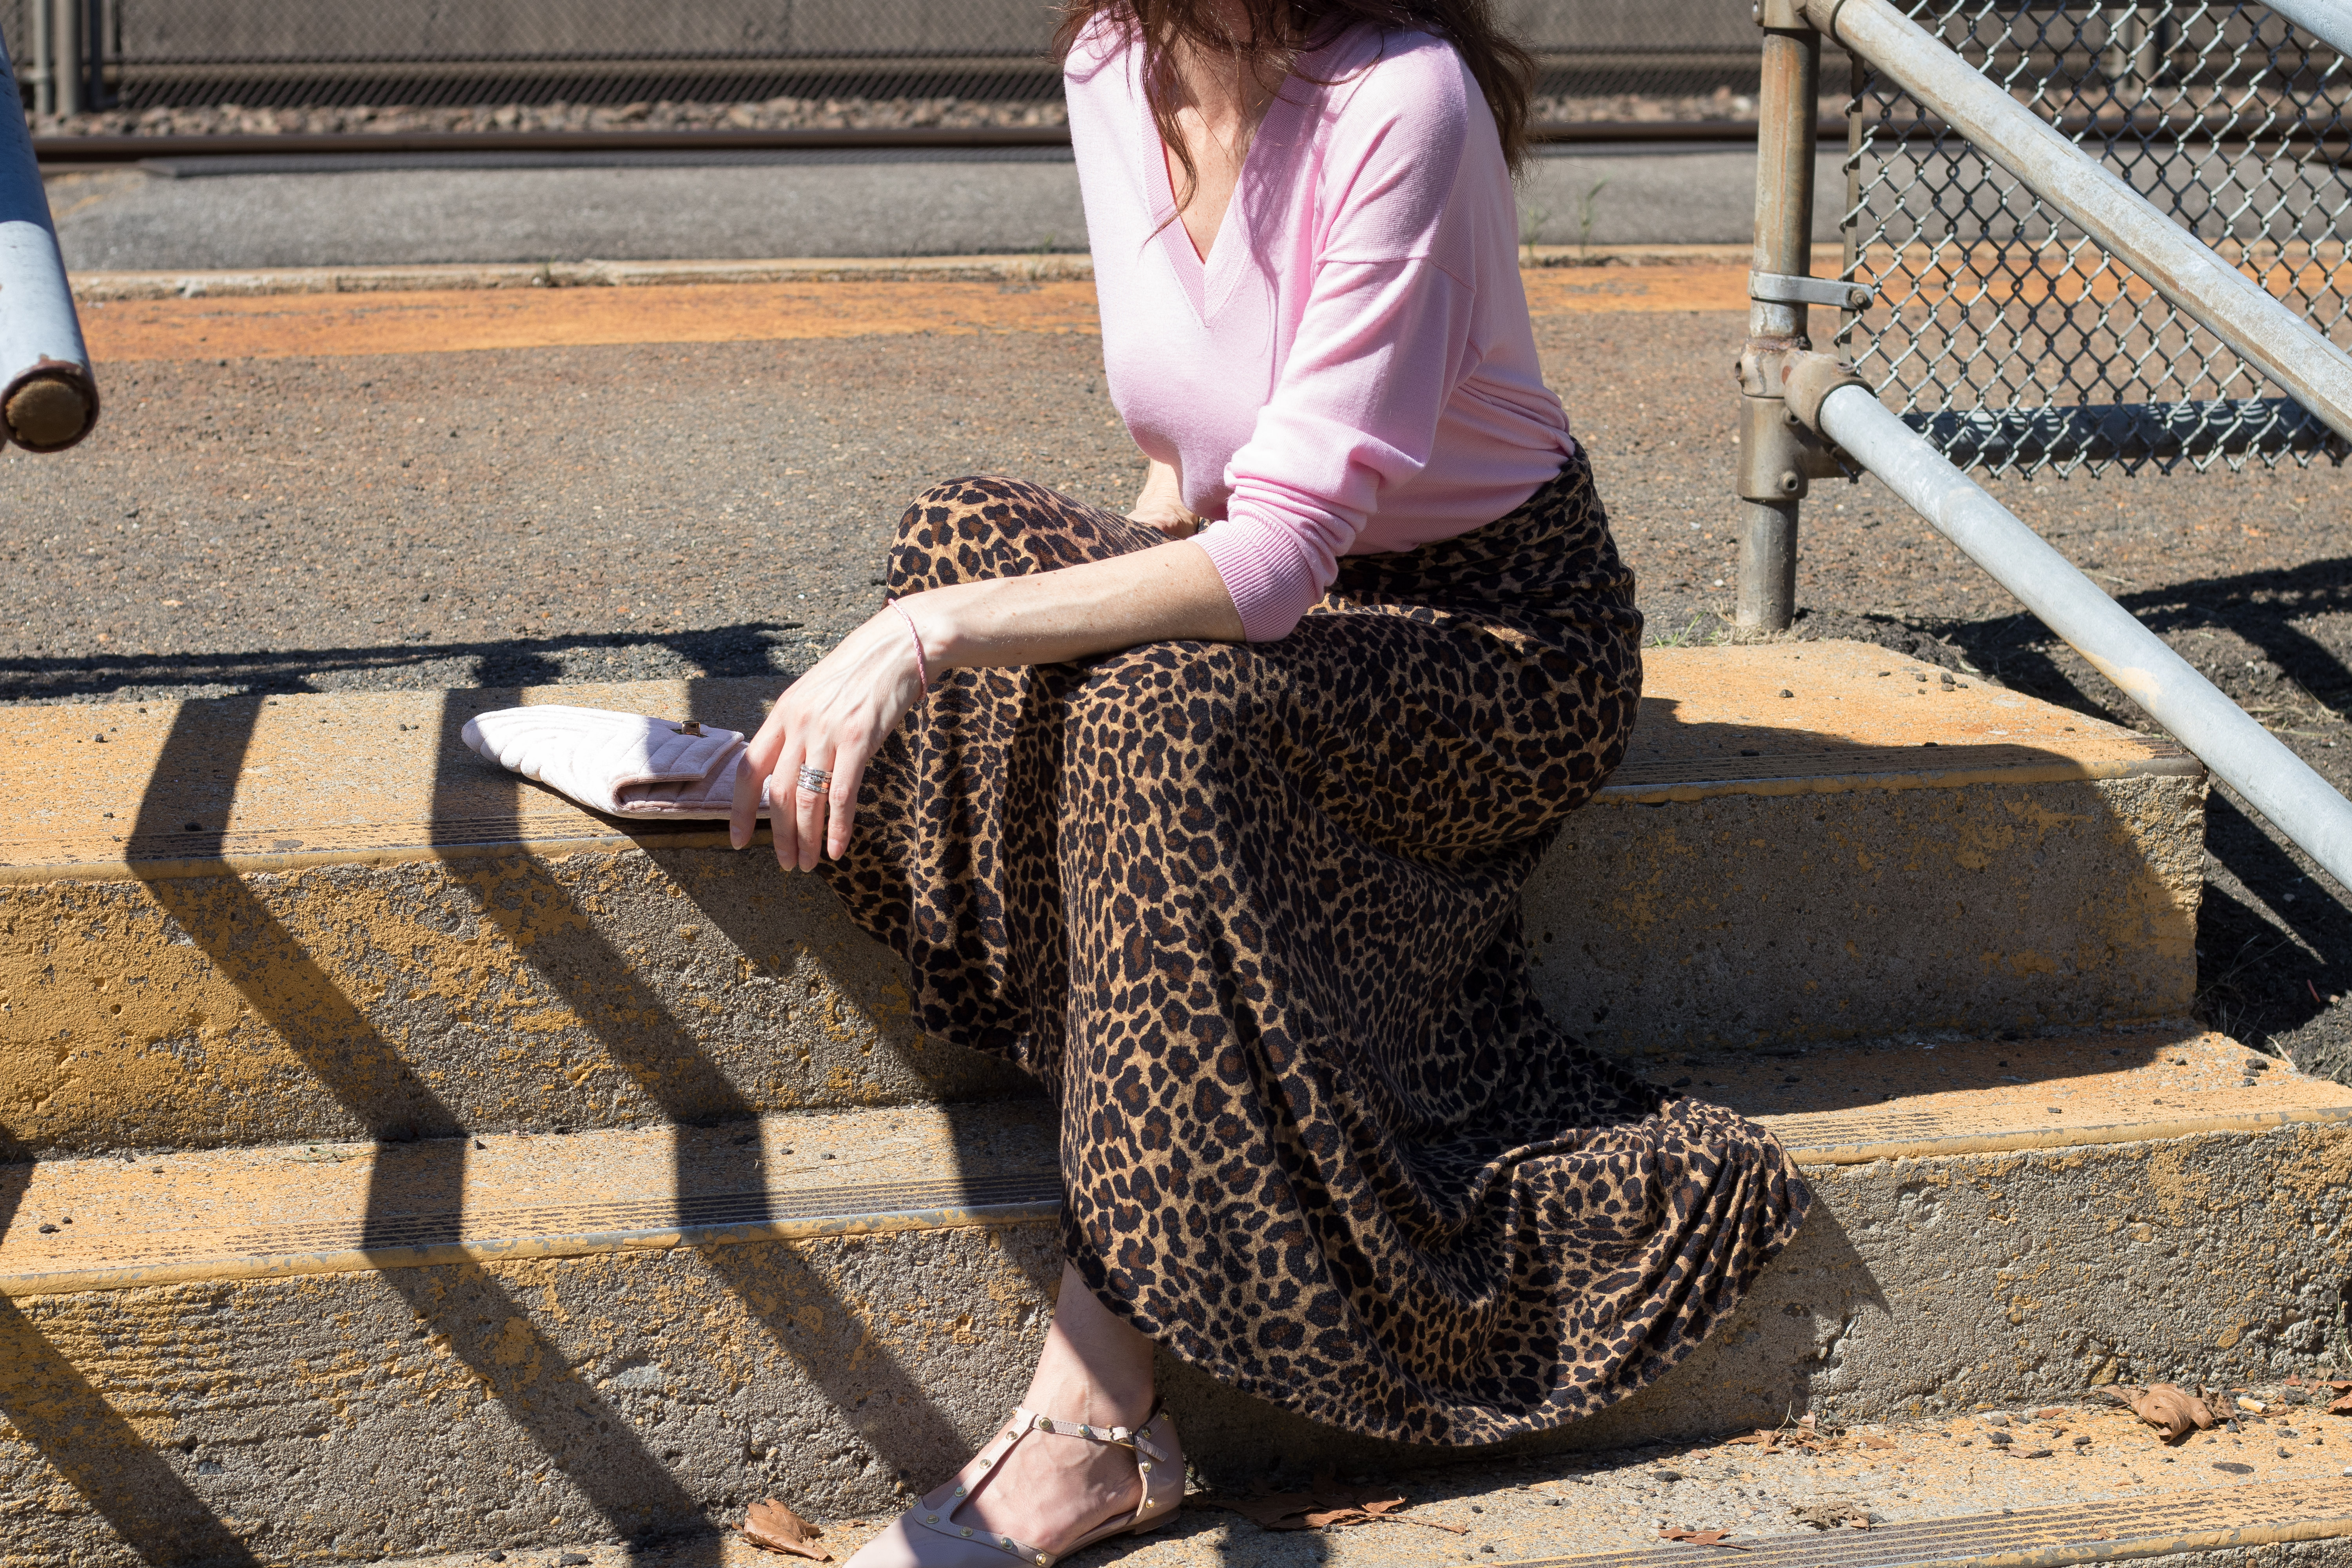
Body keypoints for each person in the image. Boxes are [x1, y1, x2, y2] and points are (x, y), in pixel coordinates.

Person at [728, 2, 1810, 1563]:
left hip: (1492, 634)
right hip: (1278, 605)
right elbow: (1179, 478)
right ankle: (1065, 996)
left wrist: (929, 645)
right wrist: (960, 634)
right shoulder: (1115, 61)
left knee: (1129, 697)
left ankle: (1094, 1426)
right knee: (963, 528)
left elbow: (1282, 556)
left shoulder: (1404, 100)